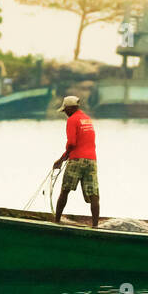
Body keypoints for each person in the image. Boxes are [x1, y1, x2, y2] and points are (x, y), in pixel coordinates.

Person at [53, 96, 99, 227]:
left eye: (65, 110)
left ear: (70, 108)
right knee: (94, 193)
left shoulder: (72, 120)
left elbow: (72, 143)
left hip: (77, 160)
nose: (65, 113)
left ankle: (56, 221)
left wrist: (61, 160)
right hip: (92, 160)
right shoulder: (87, 119)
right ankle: (95, 225)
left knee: (65, 190)